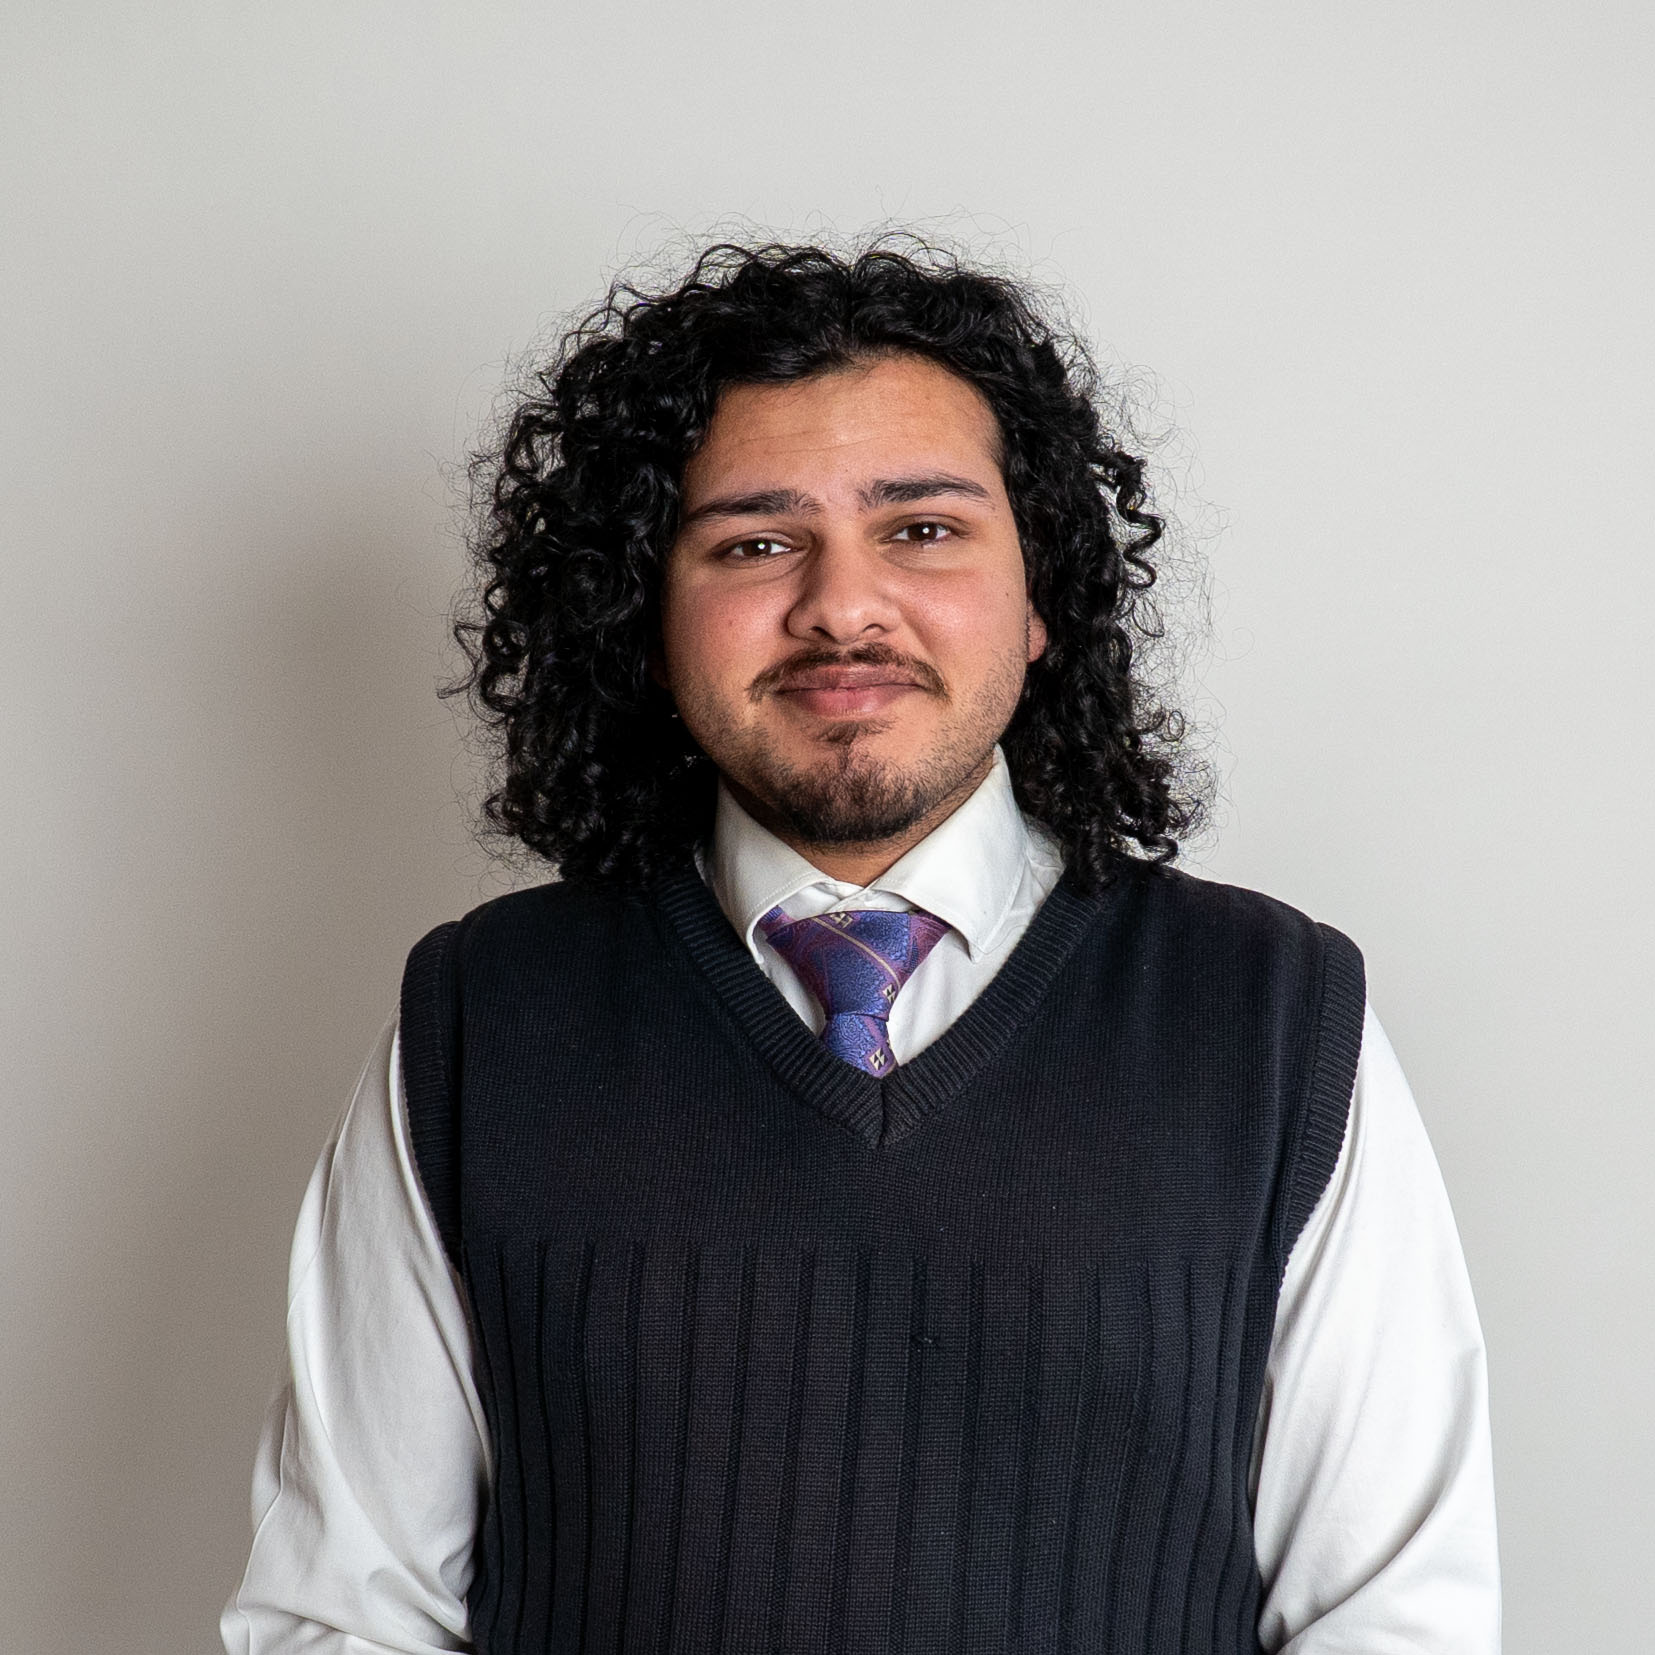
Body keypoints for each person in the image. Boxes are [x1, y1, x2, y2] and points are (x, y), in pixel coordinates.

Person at [221, 240, 1499, 1654]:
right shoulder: (481, 1025)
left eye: (923, 530)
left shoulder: (1274, 1023)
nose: (841, 604)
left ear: (1040, 598)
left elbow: (1394, 1619)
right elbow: (344, 1609)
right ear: (647, 614)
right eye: (755, 543)